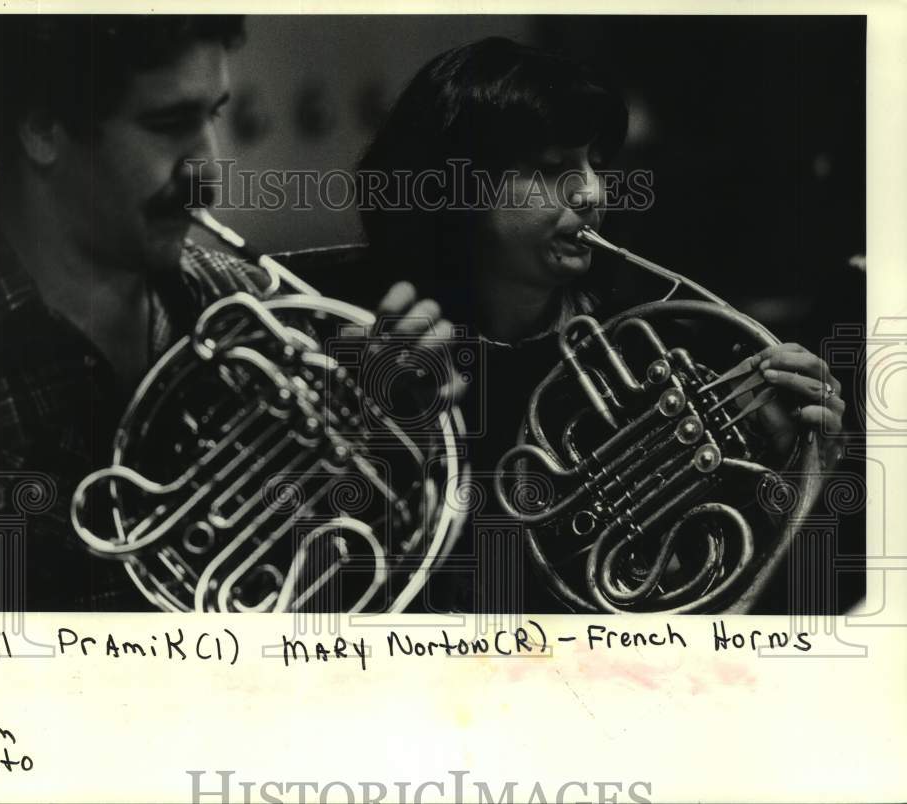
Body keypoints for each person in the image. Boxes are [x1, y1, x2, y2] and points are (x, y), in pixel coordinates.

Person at [0, 15, 454, 611]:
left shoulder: (255, 313)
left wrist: (385, 445)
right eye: (168, 125)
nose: (210, 172)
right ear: (41, 128)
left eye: (211, 116)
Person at [356, 37, 847, 612]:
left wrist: (793, 477)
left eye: (596, 164)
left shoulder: (653, 351)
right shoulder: (386, 346)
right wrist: (376, 430)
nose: (591, 192)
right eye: (553, 168)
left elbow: (748, 605)